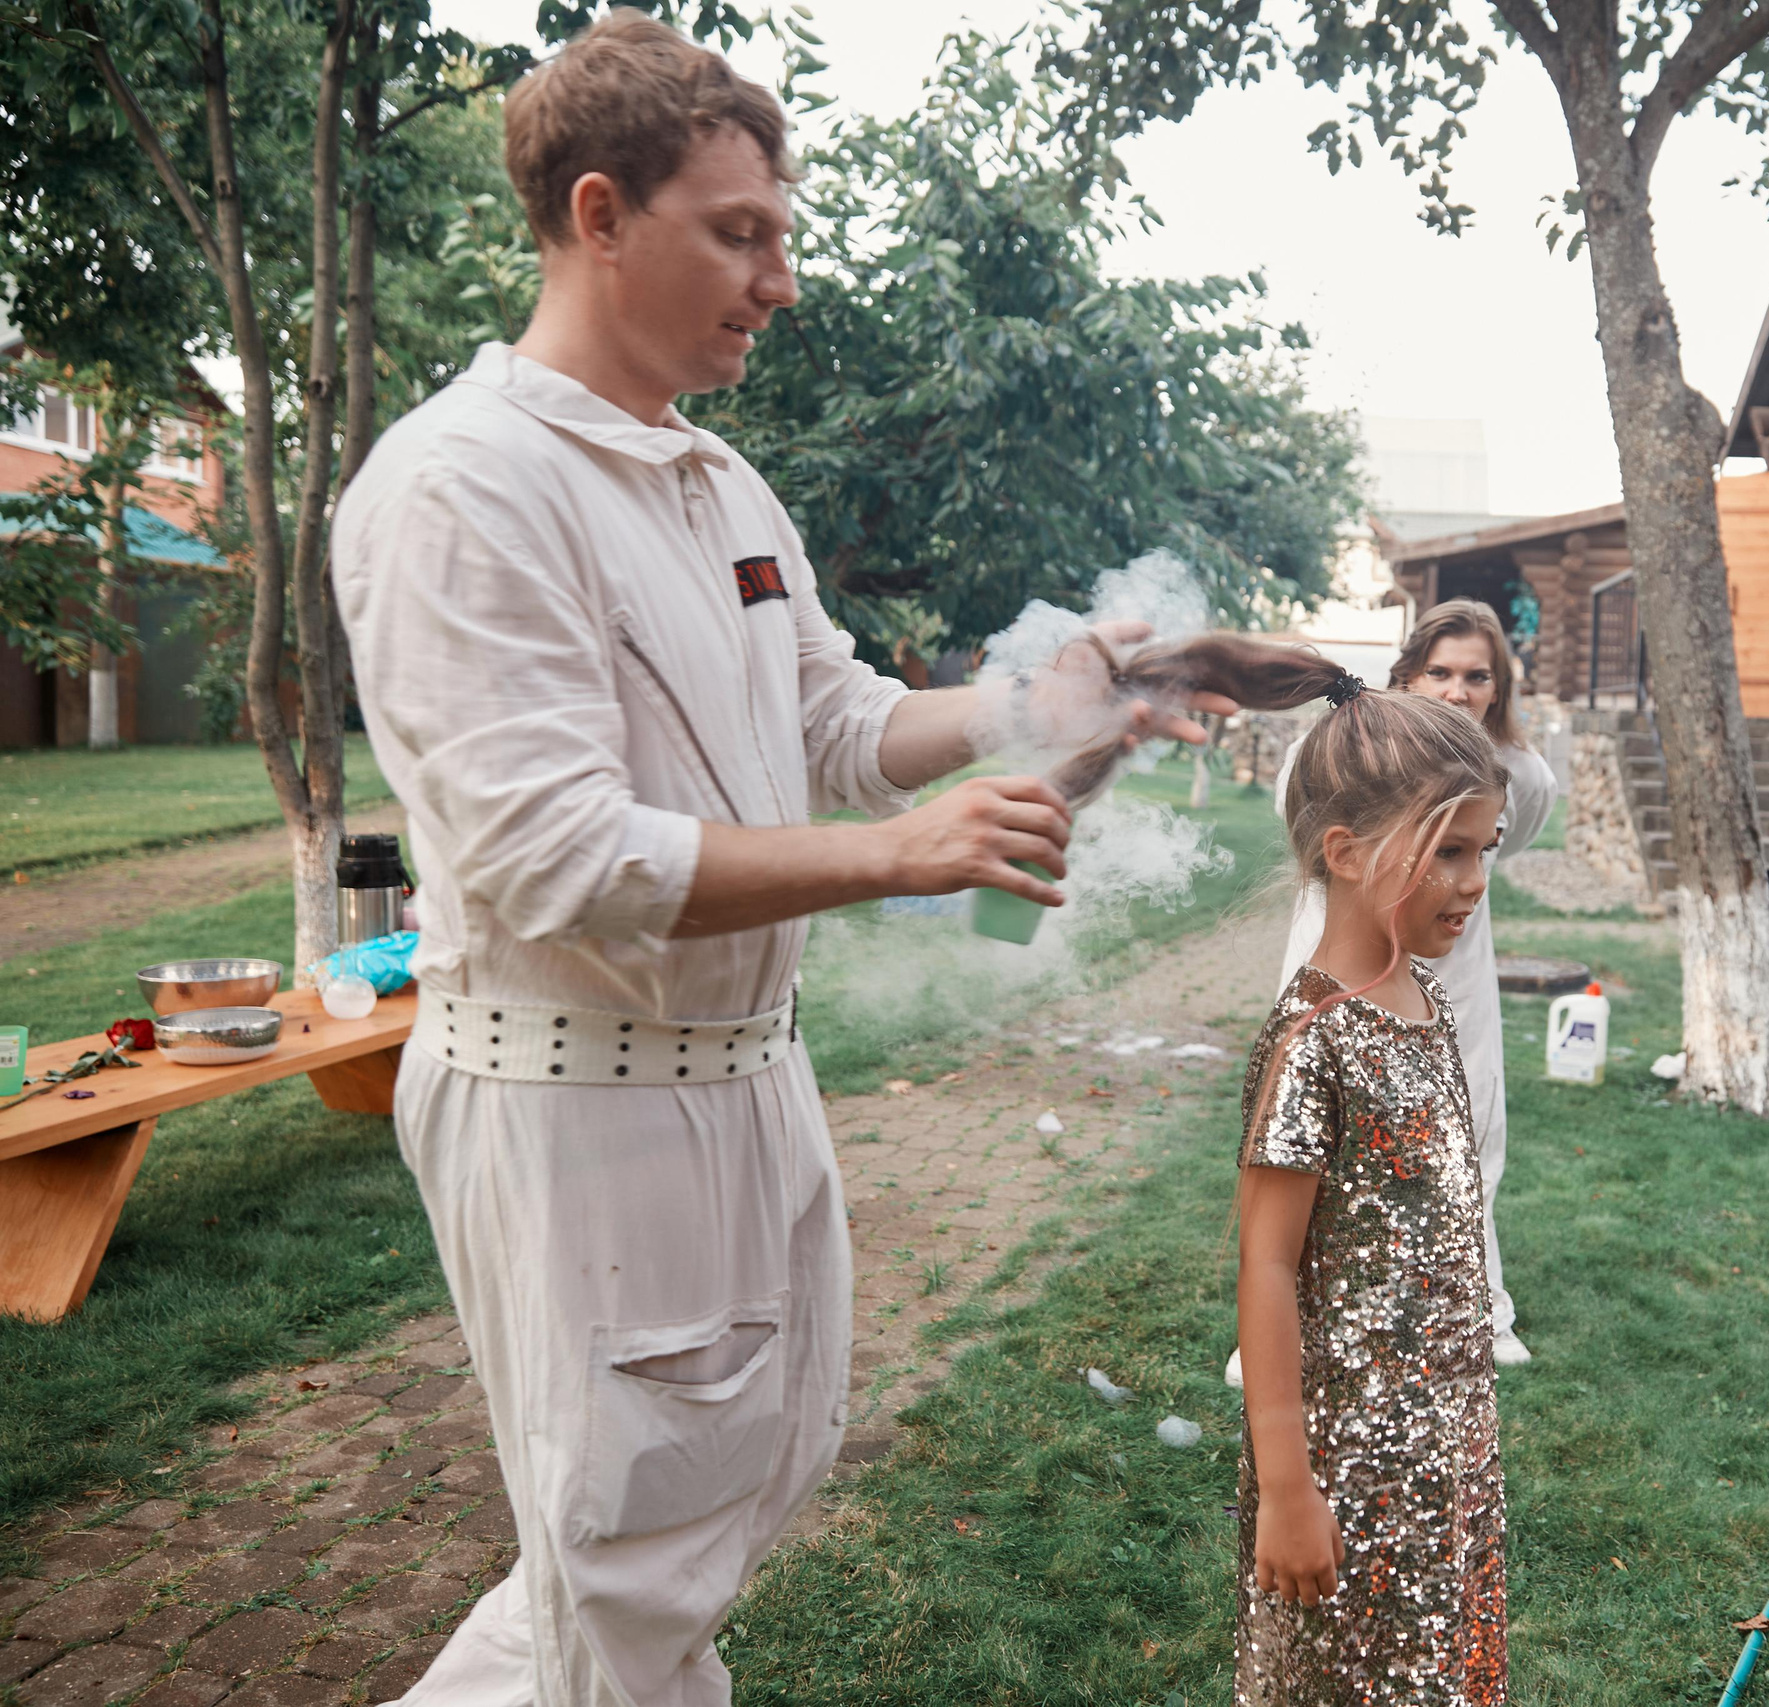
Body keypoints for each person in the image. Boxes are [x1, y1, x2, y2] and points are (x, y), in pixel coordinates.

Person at [330, 18, 1225, 1705]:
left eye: (783, 234)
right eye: (740, 233)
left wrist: (1043, 699)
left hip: (748, 1078)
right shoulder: (460, 487)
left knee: (711, 1510)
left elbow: (834, 714)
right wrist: (894, 858)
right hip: (578, 1100)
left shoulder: (720, 482)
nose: (781, 280)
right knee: (624, 1561)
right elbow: (553, 857)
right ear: (600, 217)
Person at [1234, 673, 1511, 1706]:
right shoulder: (1313, 1044)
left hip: (1445, 1441)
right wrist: (1286, 1488)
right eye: (1448, 848)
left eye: (1483, 849)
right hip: (1345, 1462)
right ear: (1346, 853)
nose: (1474, 877)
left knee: (1441, 1669)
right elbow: (1265, 1264)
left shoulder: (1427, 998)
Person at [1228, 599, 1554, 1381]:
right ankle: (1280, 1324)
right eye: (1439, 672)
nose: (1458, 689)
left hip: (1451, 976)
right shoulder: (1337, 754)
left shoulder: (1517, 775)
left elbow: (1516, 823)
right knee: (1319, 1146)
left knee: (1464, 1131)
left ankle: (1475, 1299)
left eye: (1477, 676)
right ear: (1405, 675)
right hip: (1346, 964)